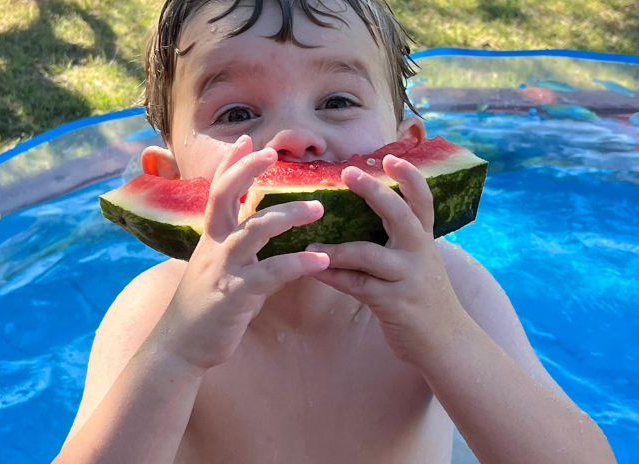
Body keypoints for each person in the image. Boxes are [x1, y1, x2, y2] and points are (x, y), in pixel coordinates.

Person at [53, 0, 617, 462]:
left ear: (411, 149)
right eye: (236, 113)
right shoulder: (156, 312)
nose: (295, 137)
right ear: (169, 176)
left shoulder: (452, 292)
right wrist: (176, 355)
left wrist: (444, 336)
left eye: (338, 101)